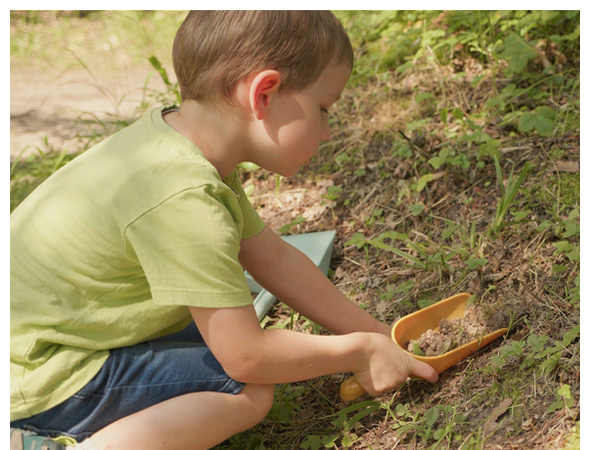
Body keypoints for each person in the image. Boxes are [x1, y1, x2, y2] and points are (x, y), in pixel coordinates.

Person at [10, 11, 438, 450]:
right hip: (42, 377)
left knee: (235, 329)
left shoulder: (182, 147)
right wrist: (356, 353)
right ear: (264, 94)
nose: (328, 129)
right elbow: (247, 357)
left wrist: (382, 336)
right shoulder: (183, 196)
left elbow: (275, 259)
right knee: (243, 388)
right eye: (323, 109)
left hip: (40, 344)